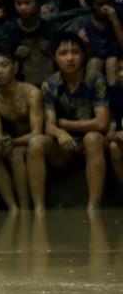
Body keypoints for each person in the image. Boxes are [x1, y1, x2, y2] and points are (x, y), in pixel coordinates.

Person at [31, 31, 109, 215]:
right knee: (36, 144)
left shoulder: (95, 80)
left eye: (75, 52)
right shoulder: (49, 84)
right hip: (64, 146)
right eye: (63, 54)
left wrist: (66, 125)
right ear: (54, 58)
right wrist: (59, 132)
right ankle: (38, 209)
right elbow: (49, 125)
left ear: (82, 55)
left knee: (92, 138)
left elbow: (102, 123)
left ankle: (93, 207)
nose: (70, 58)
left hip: (94, 143)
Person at [0, 49, 45, 213]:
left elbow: (37, 132)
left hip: (36, 140)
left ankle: (25, 208)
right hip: (14, 140)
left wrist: (12, 141)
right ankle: (13, 207)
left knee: (17, 153)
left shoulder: (32, 93)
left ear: (15, 67)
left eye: (4, 65)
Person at [3, 0, 55, 87]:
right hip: (20, 82)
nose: (23, 8)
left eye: (27, 3)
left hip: (48, 80)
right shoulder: (10, 29)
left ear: (37, 3)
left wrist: (51, 50)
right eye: (19, 3)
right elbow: (3, 57)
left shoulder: (48, 27)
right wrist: (15, 55)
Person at [75, 0, 123, 81]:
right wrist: (84, 44)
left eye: (109, 3)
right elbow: (84, 61)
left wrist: (115, 22)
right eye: (100, 5)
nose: (105, 8)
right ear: (91, 5)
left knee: (112, 62)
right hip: (94, 64)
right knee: (94, 63)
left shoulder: (119, 14)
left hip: (117, 65)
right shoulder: (82, 23)